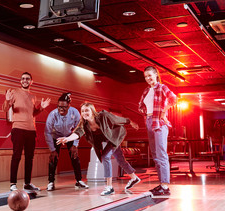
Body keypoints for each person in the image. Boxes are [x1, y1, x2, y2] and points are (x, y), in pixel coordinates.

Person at [57, 102, 140, 196]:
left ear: (92, 111)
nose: (84, 113)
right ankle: (134, 178)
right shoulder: (85, 124)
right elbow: (78, 133)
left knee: (105, 156)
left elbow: (118, 119)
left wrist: (131, 122)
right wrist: (67, 139)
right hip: (109, 138)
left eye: (87, 110)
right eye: (83, 111)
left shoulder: (103, 116)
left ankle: (109, 187)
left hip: (117, 134)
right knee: (120, 159)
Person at [2, 72, 51, 191]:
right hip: (18, 128)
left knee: (30, 157)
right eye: (23, 79)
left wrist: (42, 108)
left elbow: (33, 113)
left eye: (27, 79)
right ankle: (13, 184)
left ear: (31, 81)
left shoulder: (33, 96)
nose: (25, 80)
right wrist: (7, 100)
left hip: (31, 130)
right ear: (20, 81)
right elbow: (5, 109)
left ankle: (27, 183)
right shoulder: (14, 93)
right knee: (16, 156)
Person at [138, 66, 177, 196]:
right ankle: (161, 184)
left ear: (156, 75)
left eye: (150, 75)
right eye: (145, 77)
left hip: (159, 123)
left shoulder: (162, 87)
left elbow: (174, 99)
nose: (148, 78)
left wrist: (164, 112)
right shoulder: (145, 91)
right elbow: (141, 106)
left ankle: (165, 186)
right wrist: (145, 113)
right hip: (150, 122)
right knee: (155, 156)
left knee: (161, 155)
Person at [44, 93, 89, 191]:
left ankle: (79, 181)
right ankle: (51, 182)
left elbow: (78, 129)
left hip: (69, 135)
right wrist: (52, 149)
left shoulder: (75, 113)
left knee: (74, 155)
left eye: (64, 107)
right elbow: (47, 132)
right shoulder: (52, 115)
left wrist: (75, 145)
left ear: (69, 105)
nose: (61, 109)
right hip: (56, 136)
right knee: (53, 158)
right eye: (59, 107)